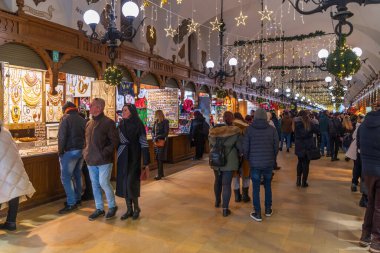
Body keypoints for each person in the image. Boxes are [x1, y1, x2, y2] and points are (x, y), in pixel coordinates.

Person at [83, 98, 119, 221]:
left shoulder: (108, 123)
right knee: (95, 185)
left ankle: (112, 206)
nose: (90, 107)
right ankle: (99, 208)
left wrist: (104, 153)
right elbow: (86, 141)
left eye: (92, 105)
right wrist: (85, 152)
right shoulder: (89, 123)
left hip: (104, 160)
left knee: (104, 183)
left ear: (99, 108)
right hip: (90, 160)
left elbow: (114, 141)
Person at [116, 104, 150, 220]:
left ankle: (136, 208)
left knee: (131, 183)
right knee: (124, 183)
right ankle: (129, 209)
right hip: (122, 156)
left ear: (131, 111)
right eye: (122, 110)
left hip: (134, 156)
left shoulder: (138, 124)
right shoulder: (121, 124)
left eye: (125, 110)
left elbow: (144, 142)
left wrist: (146, 161)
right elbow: (117, 140)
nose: (123, 112)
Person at [244, 108, 279, 222]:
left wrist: (248, 158)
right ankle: (268, 209)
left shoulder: (249, 130)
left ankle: (257, 212)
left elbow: (246, 148)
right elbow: (276, 147)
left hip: (254, 163)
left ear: (254, 117)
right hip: (268, 163)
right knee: (268, 186)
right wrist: (272, 158)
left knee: (256, 188)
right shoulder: (272, 130)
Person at [0, 121, 35, 231]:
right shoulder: (6, 132)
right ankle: (11, 222)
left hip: (3, 168)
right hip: (13, 167)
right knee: (13, 193)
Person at [209, 111, 242, 217]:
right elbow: (239, 147)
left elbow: (210, 145)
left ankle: (217, 201)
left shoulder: (214, 131)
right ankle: (225, 209)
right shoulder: (236, 132)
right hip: (229, 161)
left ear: (223, 119)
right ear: (232, 119)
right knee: (226, 184)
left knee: (217, 181)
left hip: (216, 159)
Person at [358, 102, 380, 251]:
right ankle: (376, 241)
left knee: (371, 203)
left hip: (367, 169)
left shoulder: (364, 125)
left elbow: (359, 146)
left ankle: (365, 235)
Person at [57, 101, 86, 214]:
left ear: (66, 110)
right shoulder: (82, 119)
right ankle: (78, 199)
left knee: (65, 177)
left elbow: (62, 137)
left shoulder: (66, 119)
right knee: (77, 175)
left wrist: (60, 151)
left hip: (70, 151)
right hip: (81, 151)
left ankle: (71, 203)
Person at [294, 110, 319, 187]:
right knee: (306, 164)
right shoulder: (310, 123)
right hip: (308, 146)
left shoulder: (295, 123)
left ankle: (298, 181)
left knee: (299, 162)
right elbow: (317, 131)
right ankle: (304, 182)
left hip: (299, 146)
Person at [232, 112, 251, 203]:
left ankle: (237, 197)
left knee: (235, 176)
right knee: (246, 174)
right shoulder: (247, 127)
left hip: (233, 155)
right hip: (246, 154)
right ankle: (245, 195)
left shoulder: (230, 127)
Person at [152, 110, 169, 180]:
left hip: (162, 142)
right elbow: (153, 131)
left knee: (160, 158)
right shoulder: (155, 122)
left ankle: (159, 174)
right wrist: (153, 137)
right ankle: (161, 173)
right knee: (158, 158)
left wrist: (158, 137)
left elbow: (166, 133)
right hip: (156, 142)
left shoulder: (165, 122)